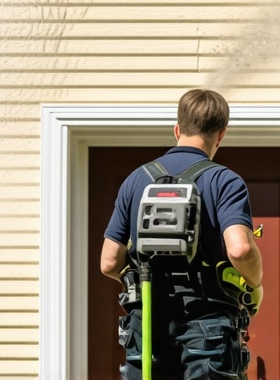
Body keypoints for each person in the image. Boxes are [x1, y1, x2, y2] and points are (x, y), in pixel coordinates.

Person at [100, 88, 263, 380]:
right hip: (209, 326)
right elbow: (240, 250)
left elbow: (109, 262)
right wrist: (255, 282)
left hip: (147, 325)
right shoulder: (225, 181)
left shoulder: (136, 180)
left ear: (177, 129)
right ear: (221, 134)